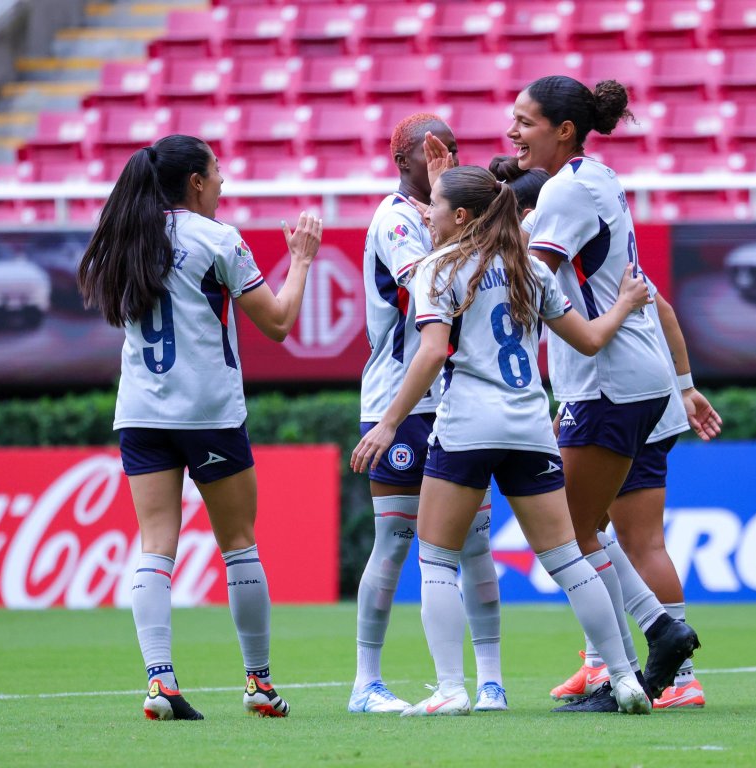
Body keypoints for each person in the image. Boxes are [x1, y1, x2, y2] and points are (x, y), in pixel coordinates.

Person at [351, 165, 655, 717]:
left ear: (461, 216)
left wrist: (390, 421)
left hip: (467, 427)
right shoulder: (529, 268)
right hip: (531, 430)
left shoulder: (439, 269)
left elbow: (431, 352)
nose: (426, 214)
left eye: (435, 206)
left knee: (438, 561)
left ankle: (451, 689)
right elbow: (587, 341)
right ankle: (624, 678)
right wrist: (624, 305)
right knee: (568, 560)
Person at [77, 134, 322, 721]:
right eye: (217, 174)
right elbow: (281, 323)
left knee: (155, 546)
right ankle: (259, 684)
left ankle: (161, 683)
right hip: (208, 412)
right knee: (239, 544)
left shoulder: (123, 239)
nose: (222, 183)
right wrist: (304, 259)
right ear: (195, 182)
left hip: (141, 411)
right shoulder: (216, 239)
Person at [507, 75, 701, 706]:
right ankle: (640, 656)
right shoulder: (599, 176)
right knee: (590, 529)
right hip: (634, 379)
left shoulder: (565, 191)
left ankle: (639, 655)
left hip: (607, 381)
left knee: (570, 531)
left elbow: (529, 285)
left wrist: (478, 236)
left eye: (525, 122)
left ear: (563, 131)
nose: (513, 133)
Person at [353, 113, 506, 714]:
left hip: (459, 399)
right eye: (433, 152)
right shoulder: (395, 219)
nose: (446, 160)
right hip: (401, 398)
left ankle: (490, 681)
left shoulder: (455, 220)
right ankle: (367, 683)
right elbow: (432, 289)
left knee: (475, 543)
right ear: (403, 162)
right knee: (394, 541)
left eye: (454, 149)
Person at [550, 282, 723, 709]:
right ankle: (599, 663)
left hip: (623, 401)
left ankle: (681, 679)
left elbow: (659, 306)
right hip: (610, 398)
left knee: (637, 542)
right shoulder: (573, 238)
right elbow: (657, 307)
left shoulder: (553, 231)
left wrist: (684, 388)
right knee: (591, 533)